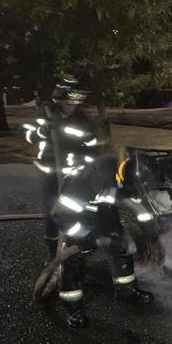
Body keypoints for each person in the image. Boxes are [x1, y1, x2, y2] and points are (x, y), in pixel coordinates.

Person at [49, 150, 155, 327]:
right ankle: (73, 307)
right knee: (73, 260)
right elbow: (60, 215)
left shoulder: (127, 175)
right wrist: (86, 237)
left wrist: (151, 236)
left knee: (120, 243)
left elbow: (139, 209)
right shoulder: (87, 180)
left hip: (104, 208)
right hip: (76, 216)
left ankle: (126, 290)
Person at [23, 78, 103, 263]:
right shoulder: (45, 115)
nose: (72, 107)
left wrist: (88, 155)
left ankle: (76, 247)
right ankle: (53, 254)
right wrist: (42, 131)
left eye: (75, 104)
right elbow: (28, 135)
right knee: (52, 213)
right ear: (58, 101)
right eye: (68, 103)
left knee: (74, 210)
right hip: (50, 173)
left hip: (74, 174)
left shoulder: (82, 120)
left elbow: (94, 146)